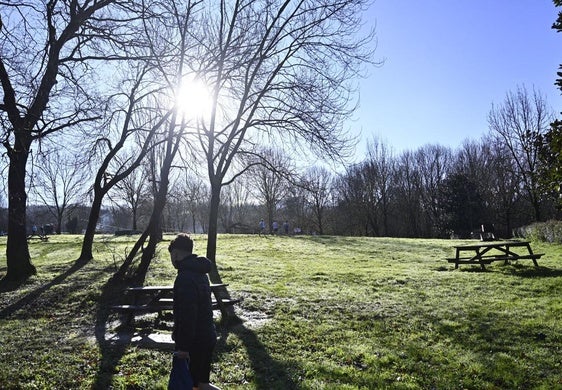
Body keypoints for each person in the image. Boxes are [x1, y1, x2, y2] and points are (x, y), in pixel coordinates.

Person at [168, 234, 221, 390]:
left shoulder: (185, 277)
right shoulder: (200, 272)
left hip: (195, 341)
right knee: (201, 384)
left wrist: (183, 348)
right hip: (207, 335)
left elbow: (187, 315)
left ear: (176, 253)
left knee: (190, 384)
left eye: (171, 256)